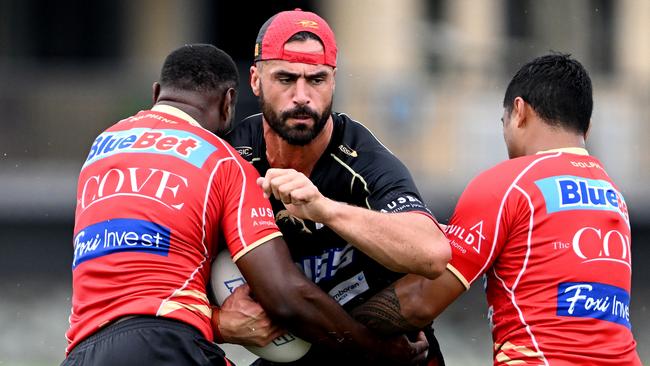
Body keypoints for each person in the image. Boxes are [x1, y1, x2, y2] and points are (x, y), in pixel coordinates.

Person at [62, 44, 429, 366]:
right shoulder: (224, 159)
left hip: (82, 349)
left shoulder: (102, 148)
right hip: (169, 347)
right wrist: (379, 352)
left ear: (157, 92)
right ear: (228, 102)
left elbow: (127, 287)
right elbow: (285, 296)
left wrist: (217, 322)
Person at [352, 53, 642, 365]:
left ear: (519, 112)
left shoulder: (509, 182)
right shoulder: (612, 193)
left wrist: (329, 324)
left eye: (502, 123)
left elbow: (418, 300)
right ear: (587, 128)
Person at [224, 9, 451, 365]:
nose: (302, 96)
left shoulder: (362, 156)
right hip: (297, 345)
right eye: (285, 79)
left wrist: (324, 209)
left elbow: (434, 253)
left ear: (333, 81)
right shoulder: (228, 154)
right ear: (255, 80)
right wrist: (217, 321)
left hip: (390, 351)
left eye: (316, 80)